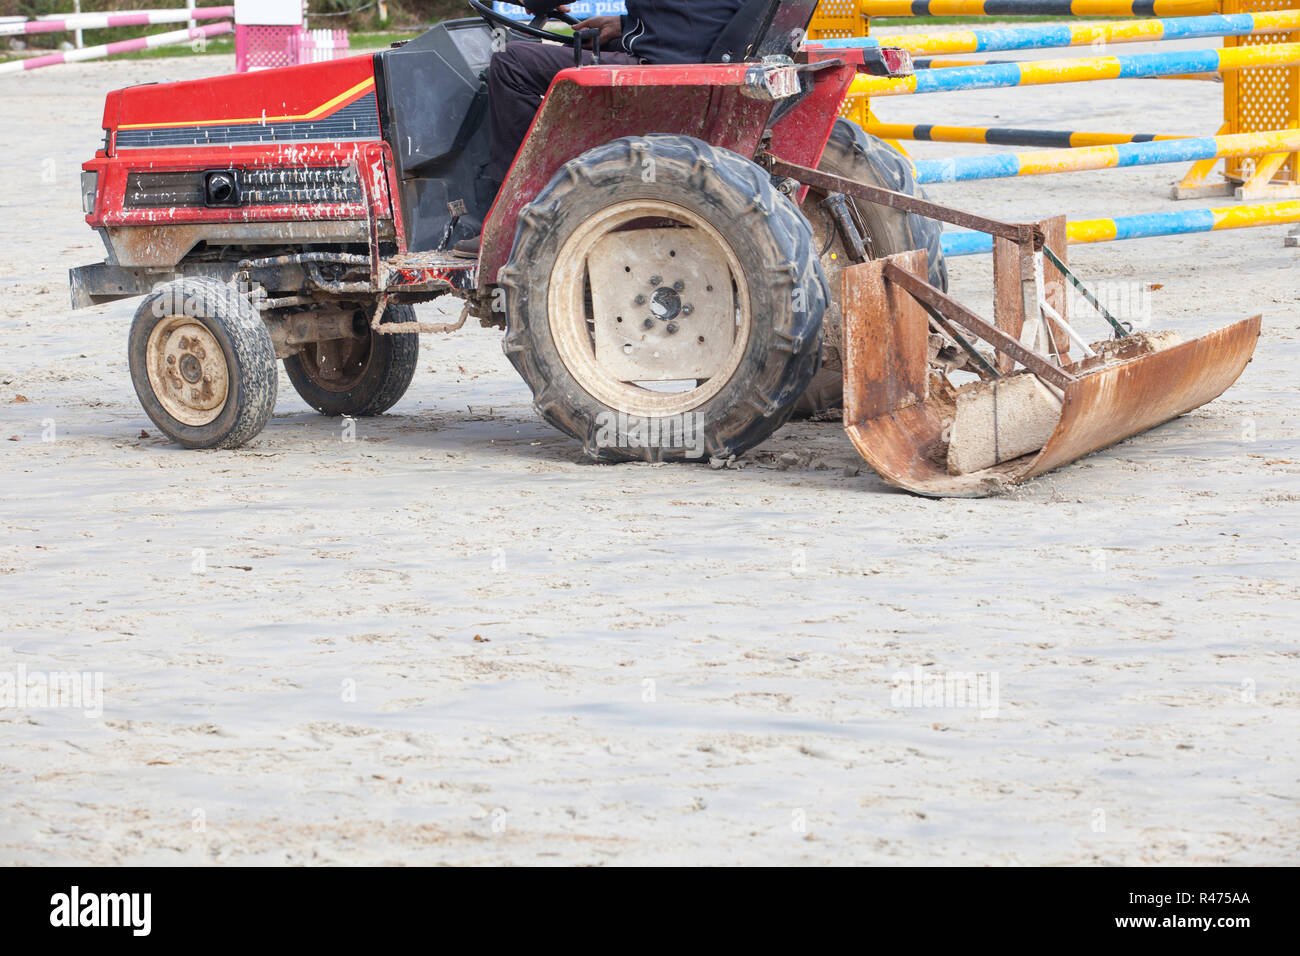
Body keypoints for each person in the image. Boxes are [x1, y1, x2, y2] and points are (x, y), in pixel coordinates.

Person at [455, 0, 746, 256]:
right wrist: (626, 25)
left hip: (666, 63)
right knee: (579, 46)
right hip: (696, 53)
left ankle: (513, 223)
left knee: (510, 63)